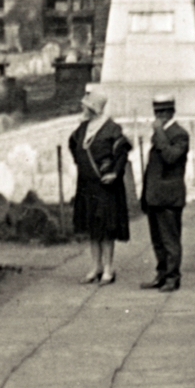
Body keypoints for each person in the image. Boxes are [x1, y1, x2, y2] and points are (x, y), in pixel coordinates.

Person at [68, 92, 131, 285]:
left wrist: (113, 172)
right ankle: (96, 267)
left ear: (93, 108)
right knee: (92, 227)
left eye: (85, 106)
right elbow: (73, 145)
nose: (82, 109)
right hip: (87, 185)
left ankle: (108, 269)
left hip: (105, 186)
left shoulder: (112, 128)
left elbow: (122, 153)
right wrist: (82, 165)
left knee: (106, 227)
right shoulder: (83, 128)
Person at [140, 94, 190, 292]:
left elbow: (170, 157)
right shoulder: (161, 134)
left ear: (171, 112)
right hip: (155, 196)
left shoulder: (180, 134)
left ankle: (172, 277)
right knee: (158, 240)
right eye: (156, 112)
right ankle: (161, 274)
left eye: (162, 112)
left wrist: (159, 132)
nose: (158, 116)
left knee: (170, 240)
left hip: (169, 197)